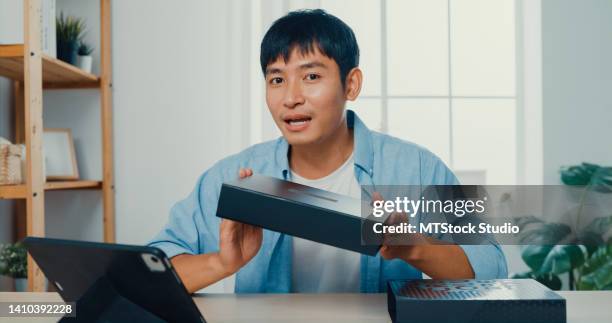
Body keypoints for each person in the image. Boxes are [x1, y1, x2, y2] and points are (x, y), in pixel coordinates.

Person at [149, 9, 507, 294]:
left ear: (351, 84)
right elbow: (154, 268)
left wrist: (415, 248)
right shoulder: (234, 176)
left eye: (311, 76)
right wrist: (221, 263)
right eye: (276, 79)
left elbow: (491, 265)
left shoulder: (417, 169)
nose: (290, 97)